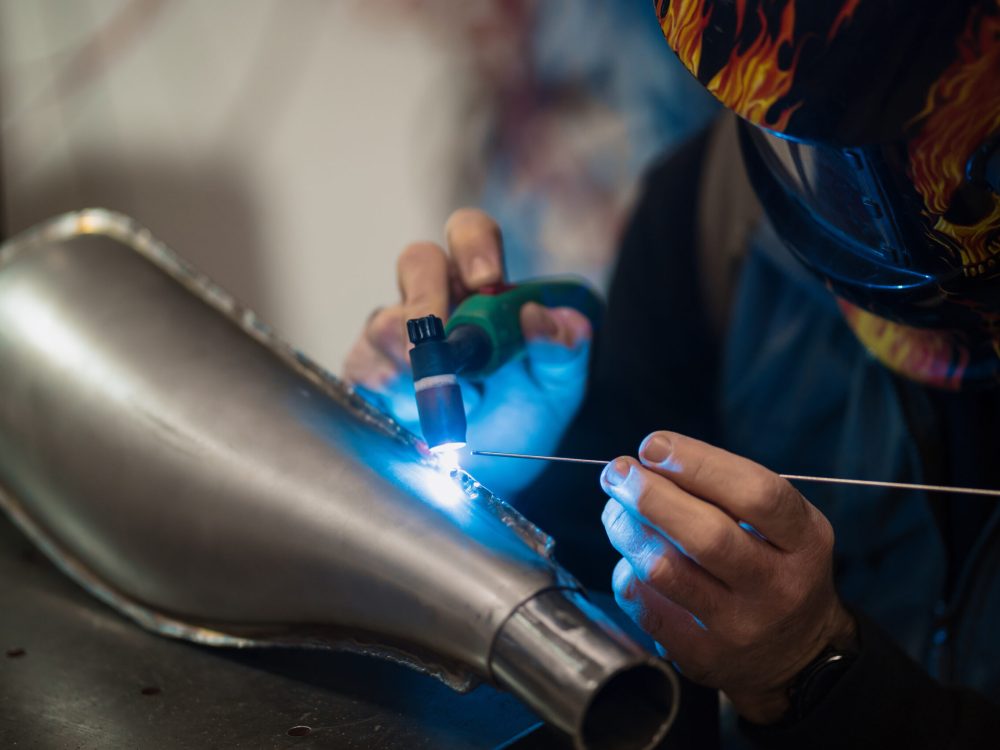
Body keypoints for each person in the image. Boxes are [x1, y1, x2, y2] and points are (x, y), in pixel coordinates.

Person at [344, 1, 1000, 747]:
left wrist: (815, 674)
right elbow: (605, 640)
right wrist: (518, 491)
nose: (878, 209)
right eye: (817, 151)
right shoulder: (704, 211)